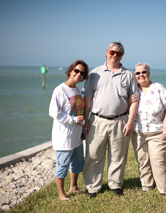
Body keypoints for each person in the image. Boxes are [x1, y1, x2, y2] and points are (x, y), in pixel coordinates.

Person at [82, 42, 138, 198]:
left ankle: (115, 184)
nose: (115, 55)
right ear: (106, 52)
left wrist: (130, 121)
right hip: (97, 121)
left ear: (122, 56)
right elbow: (87, 98)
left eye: (119, 53)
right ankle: (93, 186)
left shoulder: (128, 75)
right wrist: (86, 120)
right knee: (93, 154)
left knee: (118, 155)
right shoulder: (95, 74)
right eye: (113, 52)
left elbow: (134, 100)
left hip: (120, 121)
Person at [49, 59, 89, 201]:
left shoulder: (77, 90)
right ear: (71, 70)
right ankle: (61, 194)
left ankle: (73, 186)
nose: (78, 74)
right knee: (62, 166)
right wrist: (73, 120)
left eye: (82, 73)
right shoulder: (59, 90)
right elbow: (54, 112)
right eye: (76, 71)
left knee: (78, 163)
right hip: (63, 137)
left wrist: (83, 127)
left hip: (76, 136)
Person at [131, 63, 166, 195]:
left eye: (143, 72)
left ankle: (163, 189)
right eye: (137, 73)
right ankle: (147, 186)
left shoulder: (158, 87)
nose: (141, 75)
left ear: (148, 73)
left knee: (159, 161)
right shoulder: (132, 90)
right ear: (134, 75)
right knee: (143, 161)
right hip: (137, 132)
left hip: (158, 132)